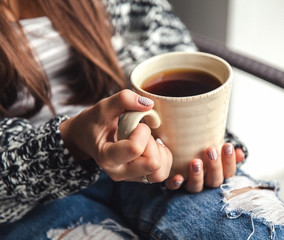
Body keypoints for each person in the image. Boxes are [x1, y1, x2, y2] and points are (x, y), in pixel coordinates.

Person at [0, 0, 283, 239]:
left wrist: (205, 143)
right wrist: (71, 139)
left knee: (254, 227)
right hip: (26, 195)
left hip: (151, 164)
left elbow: (171, 62)